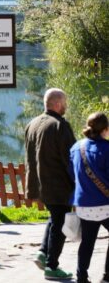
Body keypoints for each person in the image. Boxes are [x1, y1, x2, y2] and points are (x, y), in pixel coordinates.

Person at [26, 88, 76, 280]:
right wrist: (77, 182)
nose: (66, 106)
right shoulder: (59, 126)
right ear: (57, 104)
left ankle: (42, 252)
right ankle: (52, 266)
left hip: (39, 183)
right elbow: (71, 158)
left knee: (55, 218)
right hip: (58, 184)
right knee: (60, 224)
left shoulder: (33, 124)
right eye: (64, 102)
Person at [69, 112, 109, 283]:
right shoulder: (107, 148)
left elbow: (72, 173)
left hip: (83, 205)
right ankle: (107, 276)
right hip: (105, 204)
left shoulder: (76, 147)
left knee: (87, 242)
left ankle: (81, 276)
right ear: (105, 129)